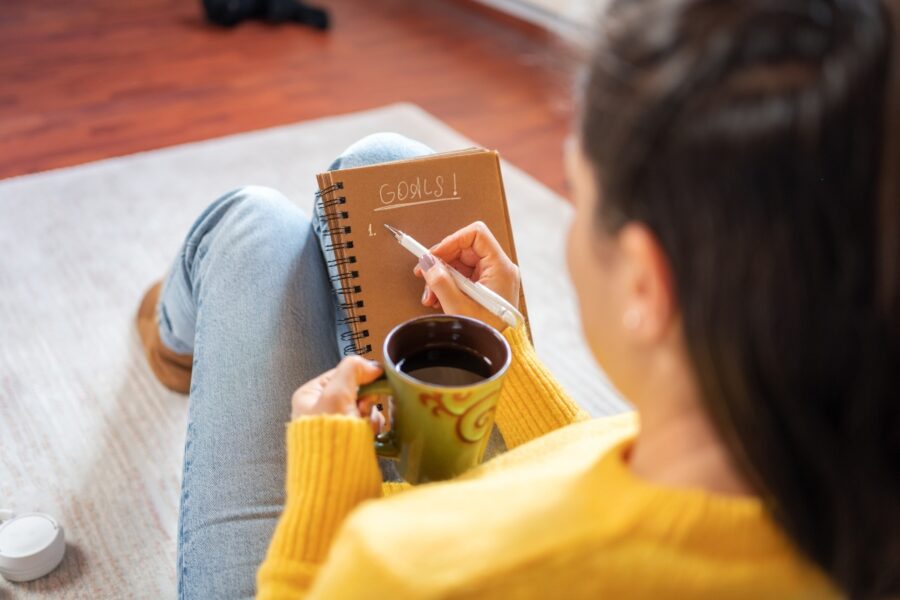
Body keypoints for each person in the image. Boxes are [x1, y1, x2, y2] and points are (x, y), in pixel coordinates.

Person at [136, 0, 900, 597]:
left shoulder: (394, 568)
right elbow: (598, 473)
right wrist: (515, 359)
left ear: (643, 282)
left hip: (359, 552)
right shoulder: (828, 475)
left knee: (251, 227)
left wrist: (327, 471)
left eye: (578, 195)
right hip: (488, 507)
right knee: (382, 163)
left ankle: (177, 336)